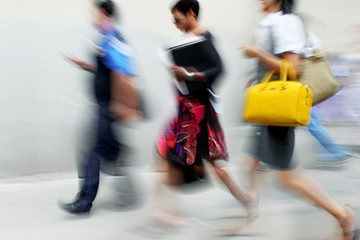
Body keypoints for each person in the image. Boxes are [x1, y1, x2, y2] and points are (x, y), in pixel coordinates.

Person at [241, 0, 358, 239]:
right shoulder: (273, 23)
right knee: (252, 166)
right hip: (267, 107)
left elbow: (292, 68)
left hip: (277, 109)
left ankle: (342, 215)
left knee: (287, 178)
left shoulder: (286, 23)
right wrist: (258, 74)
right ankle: (252, 221)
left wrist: (256, 53)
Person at [146, 0, 257, 230]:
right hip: (184, 112)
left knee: (213, 165)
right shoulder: (182, 42)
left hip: (199, 114)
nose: (175, 24)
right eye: (173, 21)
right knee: (165, 153)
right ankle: (166, 211)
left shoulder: (204, 37)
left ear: (191, 13)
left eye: (178, 19)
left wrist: (188, 73)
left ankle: (245, 199)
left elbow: (218, 69)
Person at [58, 0, 139, 214]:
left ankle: (84, 201)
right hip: (104, 106)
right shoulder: (106, 40)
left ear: (104, 13)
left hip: (108, 107)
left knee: (91, 151)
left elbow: (124, 73)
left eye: (94, 12)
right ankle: (129, 193)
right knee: (111, 152)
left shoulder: (114, 39)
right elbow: (107, 69)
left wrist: (121, 104)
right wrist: (87, 66)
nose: (92, 16)